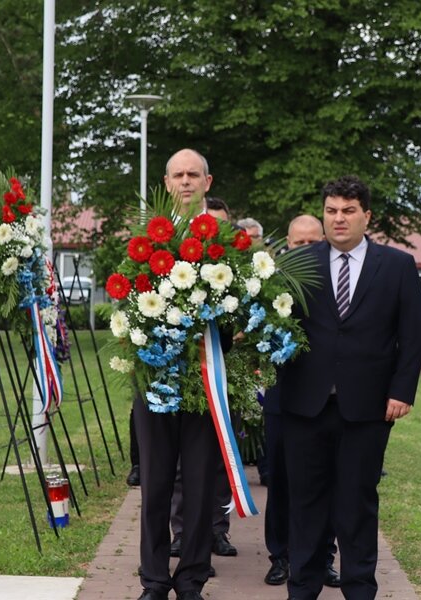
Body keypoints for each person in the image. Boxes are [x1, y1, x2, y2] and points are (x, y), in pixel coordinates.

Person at [279, 175, 421, 600]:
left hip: (368, 407)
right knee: (305, 505)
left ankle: (360, 589)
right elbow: (277, 327)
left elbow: (412, 335)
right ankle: (302, 589)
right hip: (304, 404)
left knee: (357, 504)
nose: (338, 219)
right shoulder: (298, 265)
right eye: (331, 211)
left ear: (367, 216)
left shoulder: (397, 266)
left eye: (347, 211)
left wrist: (402, 392)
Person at [133, 148, 219, 600]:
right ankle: (154, 579)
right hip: (155, 381)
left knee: (201, 486)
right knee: (156, 484)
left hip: (206, 381)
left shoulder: (229, 241)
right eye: (178, 175)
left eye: (194, 174)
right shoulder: (147, 237)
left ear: (208, 182)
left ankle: (191, 578)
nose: (186, 181)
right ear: (166, 183)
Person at [262, 214, 340, 589]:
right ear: (286, 246)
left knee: (327, 481)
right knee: (281, 479)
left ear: (324, 241)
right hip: (284, 397)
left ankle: (323, 558)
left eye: (314, 244)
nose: (306, 251)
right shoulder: (271, 282)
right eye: (298, 244)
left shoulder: (338, 284)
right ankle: (281, 556)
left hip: (328, 400)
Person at [169, 194, 238, 563]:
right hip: (186, 374)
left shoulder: (235, 263)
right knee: (184, 463)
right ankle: (182, 532)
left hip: (226, 372)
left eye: (221, 224)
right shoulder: (185, 259)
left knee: (222, 457)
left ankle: (217, 530)